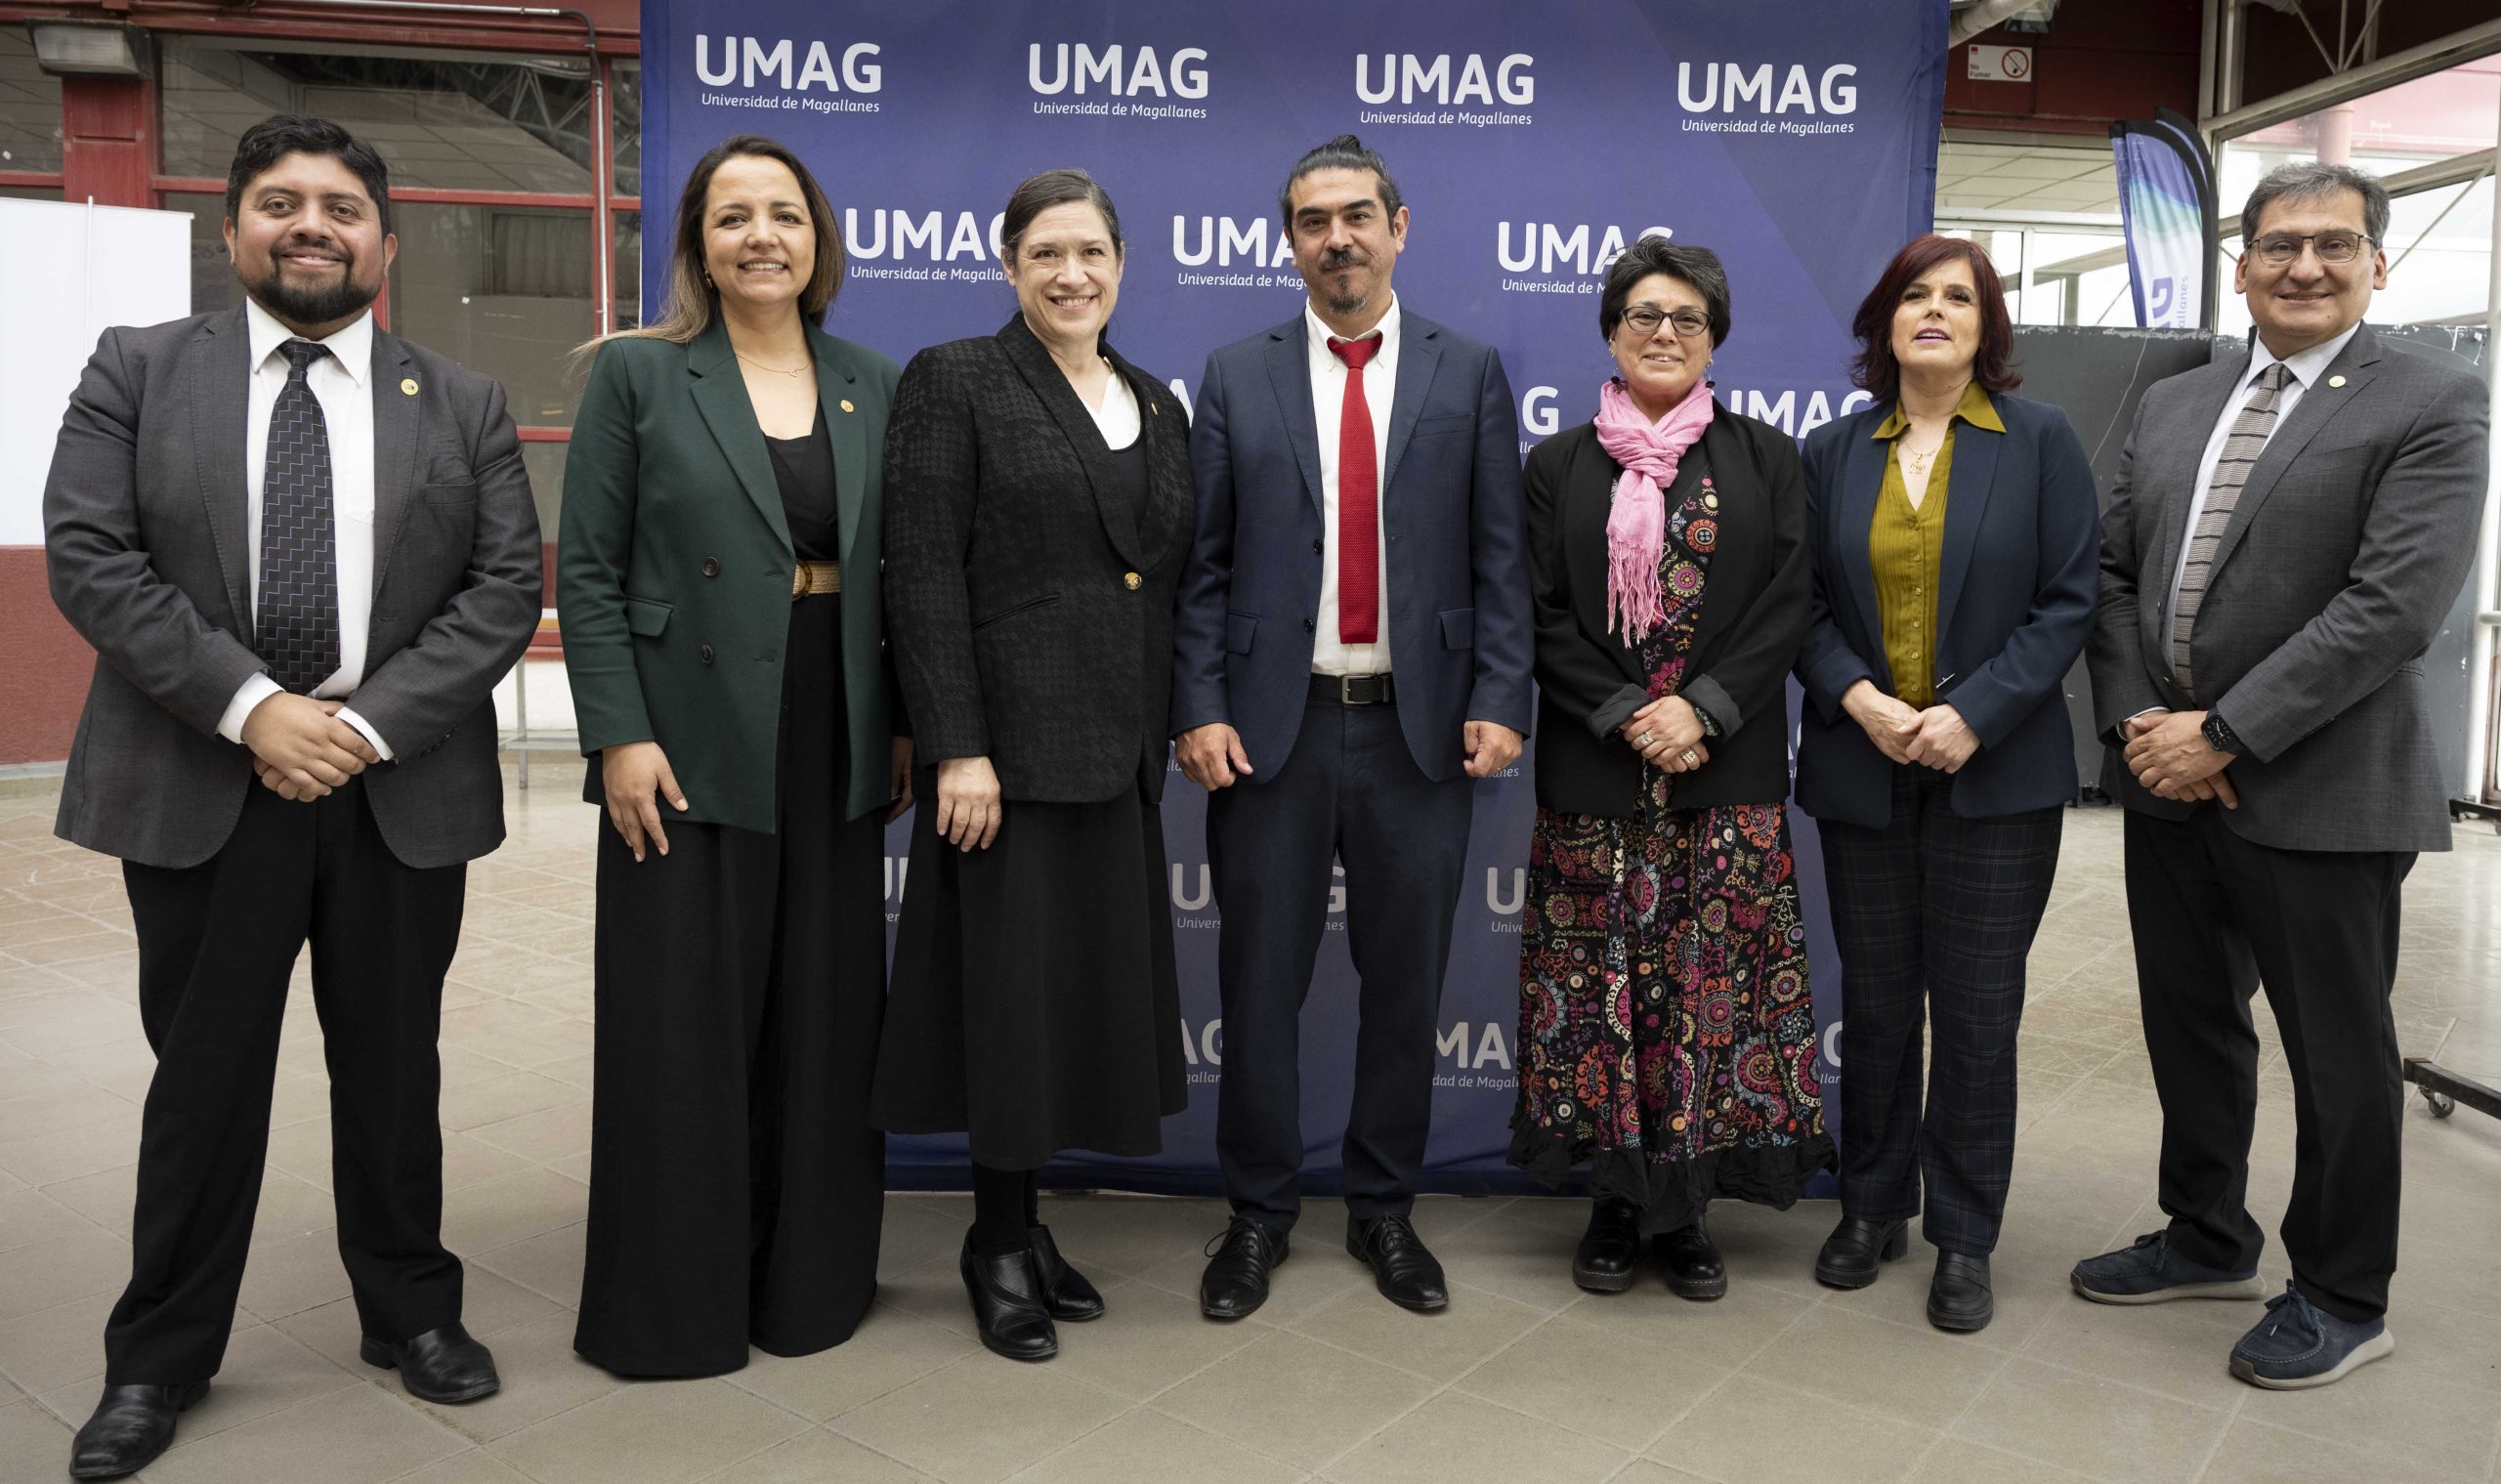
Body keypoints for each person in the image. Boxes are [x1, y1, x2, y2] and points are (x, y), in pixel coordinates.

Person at [42, 114, 539, 1479]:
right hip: (203, 780)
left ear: (386, 243)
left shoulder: (462, 400)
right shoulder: (140, 369)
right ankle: (157, 1355)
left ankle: (412, 1311)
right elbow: (92, 556)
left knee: (394, 1072)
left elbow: (503, 588)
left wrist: (359, 727)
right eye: (279, 201)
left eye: (339, 206)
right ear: (233, 231)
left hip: (394, 789)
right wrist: (257, 708)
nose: (310, 223)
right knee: (203, 1082)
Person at [2074, 162, 2487, 1389]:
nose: (2305, 265)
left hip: (2322, 787)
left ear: (2376, 263)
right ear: (2241, 262)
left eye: (2334, 243)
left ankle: (2344, 1293)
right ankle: (2206, 1235)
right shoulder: (2176, 400)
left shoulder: (2432, 398)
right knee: (2190, 1025)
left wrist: (2226, 732)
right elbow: (2110, 574)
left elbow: (2390, 607)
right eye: (2279, 244)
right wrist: (2144, 724)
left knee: (2337, 1054)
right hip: (2165, 777)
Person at [557, 134, 906, 1377]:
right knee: (681, 1018)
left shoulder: (873, 379)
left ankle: (808, 1286)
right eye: (732, 216)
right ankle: (673, 1308)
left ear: (819, 240)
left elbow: (900, 573)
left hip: (834, 723)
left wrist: (904, 726)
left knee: (821, 1014)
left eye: (785, 215)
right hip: (686, 728)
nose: (762, 236)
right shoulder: (637, 375)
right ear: (697, 246)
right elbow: (587, 572)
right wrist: (619, 733)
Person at [1176, 135, 1533, 1320]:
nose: (1336, 239)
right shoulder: (1236, 373)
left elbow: (1499, 556)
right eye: (1311, 221)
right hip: (1268, 736)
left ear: (1397, 227)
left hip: (1415, 735)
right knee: (1257, 985)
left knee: (1406, 988)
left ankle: (1384, 1209)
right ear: (1290, 241)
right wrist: (1199, 705)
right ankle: (1255, 1216)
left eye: (1355, 216)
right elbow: (1203, 567)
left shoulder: (1465, 370)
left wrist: (1499, 696)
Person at [873, 168, 1194, 1363]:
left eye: (1091, 252)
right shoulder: (954, 378)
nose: (1071, 274)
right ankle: (995, 1243)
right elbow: (922, 571)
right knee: (1006, 1013)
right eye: (1046, 252)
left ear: (1121, 264)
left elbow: (1157, 582)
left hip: (1116, 761)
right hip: (999, 768)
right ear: (1008, 265)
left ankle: (1029, 1224)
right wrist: (956, 745)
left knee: (1067, 1012)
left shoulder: (1156, 402)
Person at [1509, 237, 1830, 1300]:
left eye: (1687, 318)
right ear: (1610, 331)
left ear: (1714, 340)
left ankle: (1687, 1211)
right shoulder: (1558, 467)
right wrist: (1626, 714)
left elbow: (1789, 600)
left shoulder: (1765, 458)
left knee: (1705, 995)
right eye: (1643, 314)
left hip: (1720, 773)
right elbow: (1538, 614)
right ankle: (1613, 1203)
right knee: (1599, 995)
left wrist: (1703, 708)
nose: (1663, 333)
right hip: (1597, 777)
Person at [1794, 234, 2100, 1334]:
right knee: (1877, 1004)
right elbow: (1799, 605)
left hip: (1996, 772)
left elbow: (2069, 599)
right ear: (1885, 320)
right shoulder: (1831, 450)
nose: (1934, 311)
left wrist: (1976, 713)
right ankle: (1870, 1205)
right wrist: (1861, 700)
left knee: (1976, 1011)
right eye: (1914, 295)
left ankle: (1964, 1233)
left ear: (1986, 325)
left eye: (1958, 297)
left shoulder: (2040, 439)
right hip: (1864, 765)